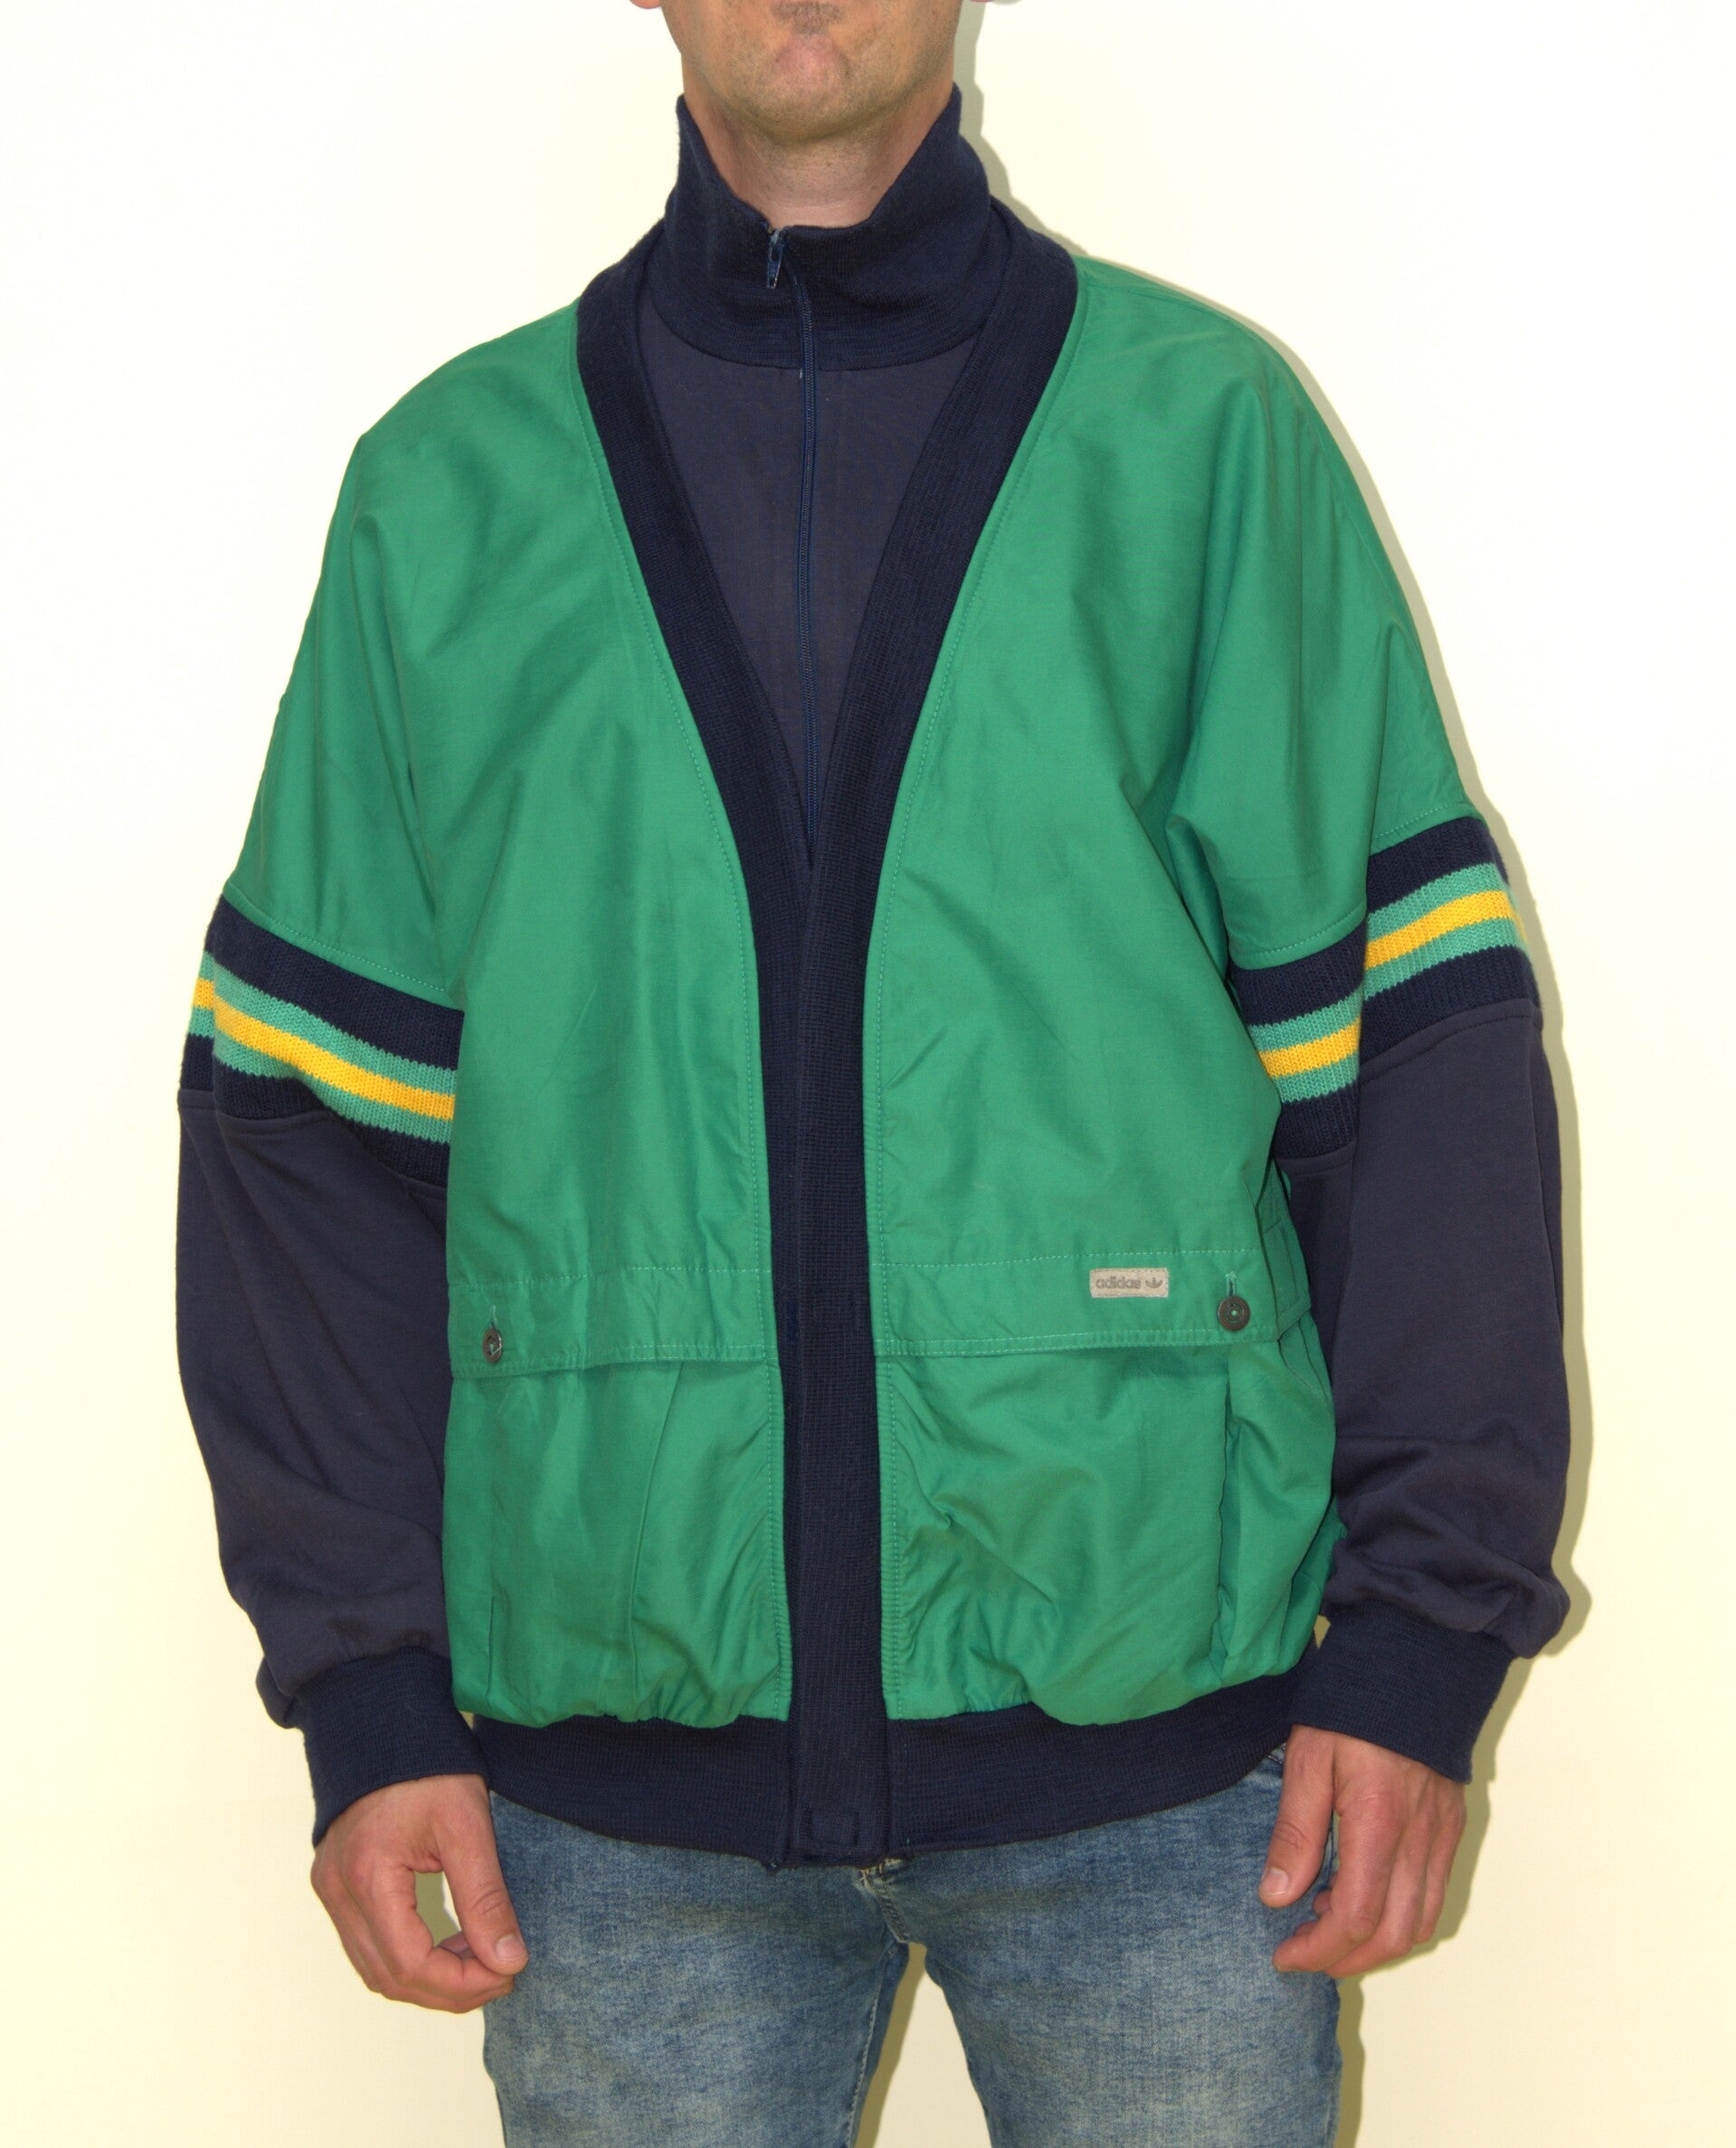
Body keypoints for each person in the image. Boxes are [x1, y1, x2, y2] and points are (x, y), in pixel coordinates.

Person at [173, 2, 1570, 2140]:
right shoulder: (444, 497)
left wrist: (1418, 1638)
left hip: (1175, 1767)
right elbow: (307, 1132)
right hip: (613, 1813)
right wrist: (362, 1687)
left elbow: (1416, 1062)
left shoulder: (1204, 441)